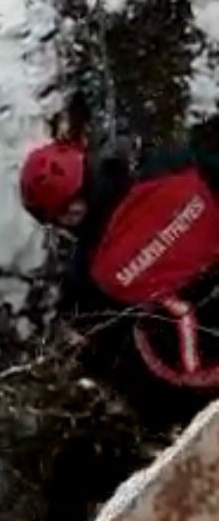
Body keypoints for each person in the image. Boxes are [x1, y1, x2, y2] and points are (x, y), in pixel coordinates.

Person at [20, 114, 219, 393]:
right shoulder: (171, 166)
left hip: (205, 370)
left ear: (70, 214)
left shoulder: (93, 274)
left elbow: (105, 353)